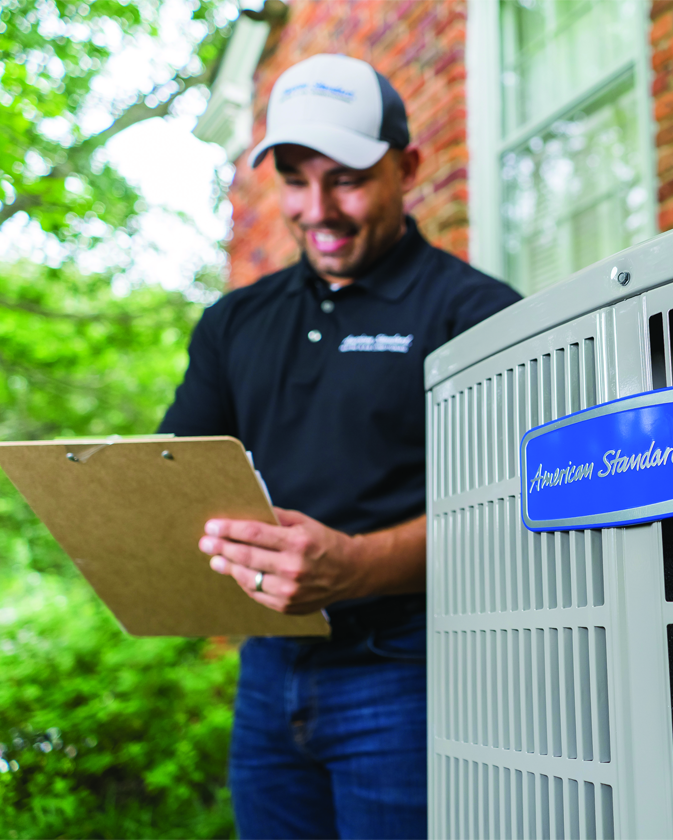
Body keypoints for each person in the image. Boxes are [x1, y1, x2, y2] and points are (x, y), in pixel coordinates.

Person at [158, 53, 521, 838]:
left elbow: (523, 512)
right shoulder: (234, 324)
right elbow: (175, 478)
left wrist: (355, 565)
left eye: (347, 178)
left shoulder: (479, 316)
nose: (317, 209)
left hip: (411, 672)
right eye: (295, 179)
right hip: (268, 674)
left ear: (407, 167)